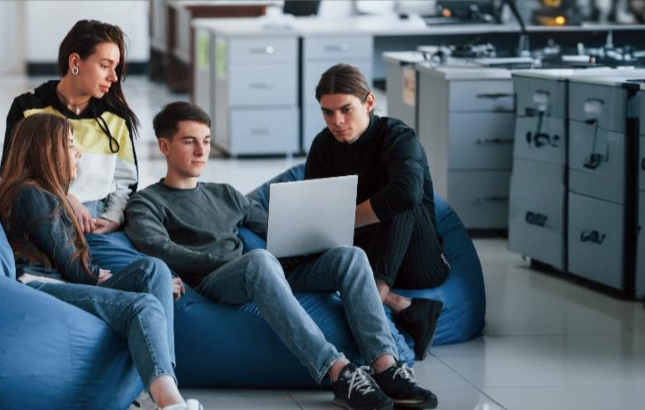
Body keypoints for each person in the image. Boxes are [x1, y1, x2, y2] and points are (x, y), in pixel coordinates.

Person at [125, 102, 438, 410]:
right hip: (213, 283)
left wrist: (315, 229)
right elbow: (158, 248)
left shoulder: (226, 193)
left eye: (206, 141)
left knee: (350, 256)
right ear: (165, 146)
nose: (201, 151)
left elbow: (273, 228)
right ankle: (338, 372)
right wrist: (238, 263)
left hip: (263, 271)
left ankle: (385, 366)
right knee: (259, 261)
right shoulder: (147, 202)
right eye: (189, 141)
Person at [0, 114, 200, 410]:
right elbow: (74, 268)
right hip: (40, 287)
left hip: (59, 280)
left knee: (155, 270)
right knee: (144, 305)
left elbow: (74, 265)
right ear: (47, 151)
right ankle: (170, 402)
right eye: (71, 145)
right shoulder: (31, 195)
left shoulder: (40, 193)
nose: (79, 154)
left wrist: (97, 273)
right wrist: (96, 274)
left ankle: (165, 378)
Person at [305, 63, 449, 360]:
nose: (337, 121)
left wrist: (343, 220)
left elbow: (407, 194)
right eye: (328, 112)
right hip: (364, 253)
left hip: (418, 260)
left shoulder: (398, 137)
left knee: (401, 197)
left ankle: (373, 302)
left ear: (369, 103)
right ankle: (401, 306)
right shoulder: (323, 145)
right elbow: (314, 207)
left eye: (346, 109)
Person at [2, 19, 140, 236]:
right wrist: (64, 198)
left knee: (153, 269)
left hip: (98, 228)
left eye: (115, 68)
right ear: (75, 61)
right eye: (105, 66)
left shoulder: (116, 118)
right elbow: (11, 177)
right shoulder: (28, 108)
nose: (113, 77)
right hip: (42, 220)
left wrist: (112, 218)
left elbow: (126, 182)